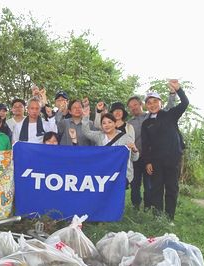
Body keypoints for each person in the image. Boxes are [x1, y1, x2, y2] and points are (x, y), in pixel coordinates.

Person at [142, 80, 189, 221]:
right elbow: (145, 144)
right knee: (156, 189)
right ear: (146, 106)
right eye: (149, 103)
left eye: (155, 101)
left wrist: (178, 89)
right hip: (156, 161)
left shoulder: (170, 114)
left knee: (172, 188)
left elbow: (185, 103)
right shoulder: (146, 123)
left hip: (173, 159)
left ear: (160, 103)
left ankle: (169, 218)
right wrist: (148, 162)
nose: (152, 105)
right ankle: (158, 217)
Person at [127, 89, 177, 210]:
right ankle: (136, 206)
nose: (133, 108)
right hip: (135, 157)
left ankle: (148, 206)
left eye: (135, 105)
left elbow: (169, 108)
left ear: (141, 104)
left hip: (150, 157)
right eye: (130, 107)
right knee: (135, 184)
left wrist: (172, 94)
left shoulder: (151, 116)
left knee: (150, 185)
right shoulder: (128, 124)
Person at [81, 107, 139, 183]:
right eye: (104, 123)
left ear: (115, 124)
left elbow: (134, 159)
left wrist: (134, 149)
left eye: (110, 122)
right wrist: (85, 117)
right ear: (101, 126)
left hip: (120, 175)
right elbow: (86, 132)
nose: (107, 125)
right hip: (103, 174)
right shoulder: (99, 136)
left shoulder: (125, 138)